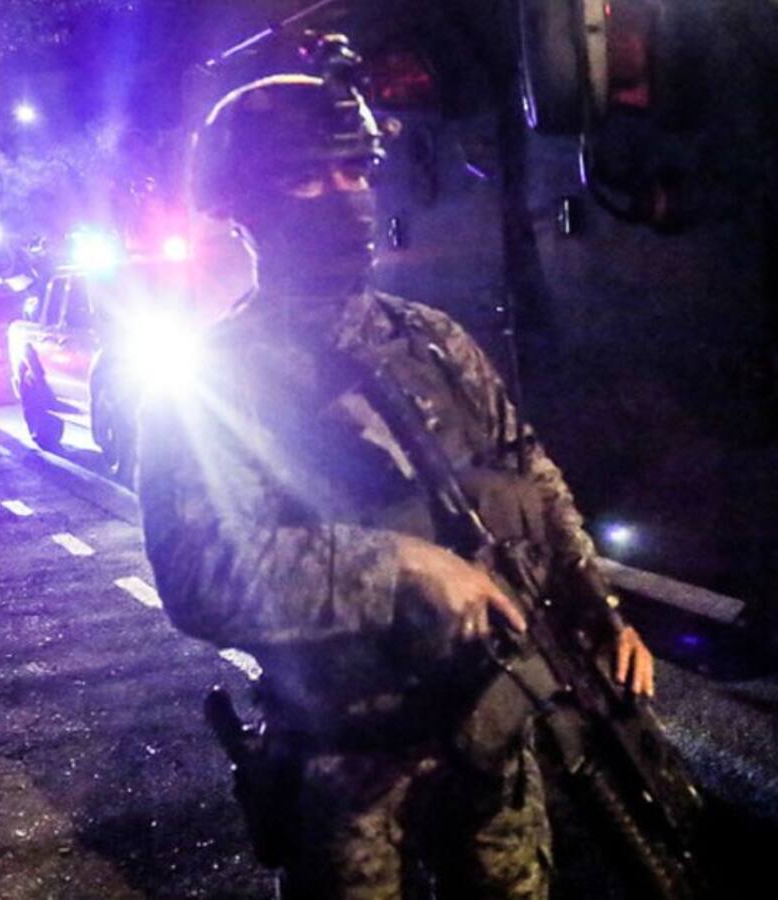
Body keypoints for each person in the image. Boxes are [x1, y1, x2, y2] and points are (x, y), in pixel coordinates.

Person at [137, 74, 656, 899]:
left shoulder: (433, 341)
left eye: (355, 172)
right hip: (346, 766)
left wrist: (598, 607)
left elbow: (530, 476)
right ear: (245, 208)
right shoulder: (214, 378)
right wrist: (402, 567)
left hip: (486, 736)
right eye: (306, 178)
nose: (342, 198)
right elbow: (201, 575)